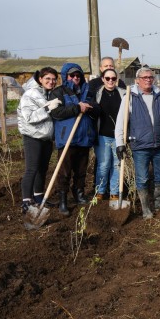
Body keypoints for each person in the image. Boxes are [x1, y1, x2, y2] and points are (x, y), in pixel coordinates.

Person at [115, 66, 160, 219]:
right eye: (144, 77)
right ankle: (146, 208)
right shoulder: (130, 97)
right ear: (137, 80)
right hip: (140, 145)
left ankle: (159, 202)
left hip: (159, 144)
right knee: (142, 178)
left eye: (150, 77)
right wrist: (120, 142)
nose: (148, 80)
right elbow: (121, 122)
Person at [49, 63, 99, 216]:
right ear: (66, 77)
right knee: (64, 171)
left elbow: (97, 109)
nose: (76, 78)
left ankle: (79, 194)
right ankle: (63, 199)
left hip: (84, 137)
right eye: (72, 75)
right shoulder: (58, 92)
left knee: (81, 170)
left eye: (78, 75)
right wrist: (77, 108)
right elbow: (55, 112)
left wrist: (91, 107)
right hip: (67, 138)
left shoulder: (87, 91)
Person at [17, 67, 58, 221]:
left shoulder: (49, 94)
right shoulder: (30, 95)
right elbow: (29, 117)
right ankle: (26, 202)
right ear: (40, 79)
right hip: (32, 136)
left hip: (46, 137)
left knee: (42, 169)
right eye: (47, 78)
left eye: (54, 79)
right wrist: (48, 108)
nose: (51, 81)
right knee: (32, 169)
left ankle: (39, 198)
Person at [94, 67, 126, 203]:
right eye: (108, 78)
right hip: (103, 135)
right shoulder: (98, 94)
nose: (111, 81)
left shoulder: (123, 94)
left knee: (117, 164)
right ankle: (100, 191)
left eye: (113, 78)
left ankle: (114, 191)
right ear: (103, 79)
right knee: (104, 164)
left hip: (118, 136)